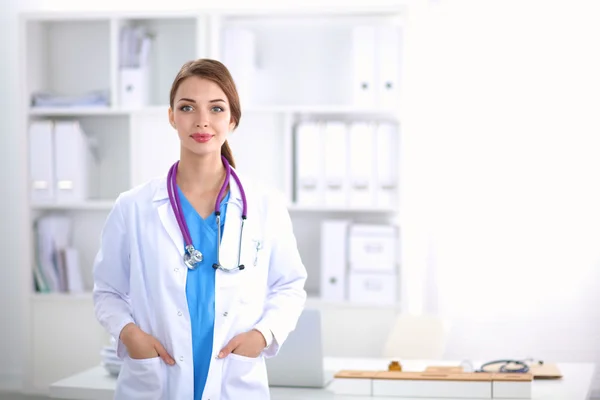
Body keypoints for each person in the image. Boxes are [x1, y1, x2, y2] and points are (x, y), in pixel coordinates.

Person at [92, 59, 308, 399]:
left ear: (232, 120)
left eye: (216, 108)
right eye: (187, 107)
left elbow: (290, 286)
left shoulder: (266, 204)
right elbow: (107, 291)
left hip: (233, 378)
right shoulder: (133, 207)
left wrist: (263, 335)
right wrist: (129, 334)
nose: (202, 121)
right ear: (171, 116)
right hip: (156, 378)